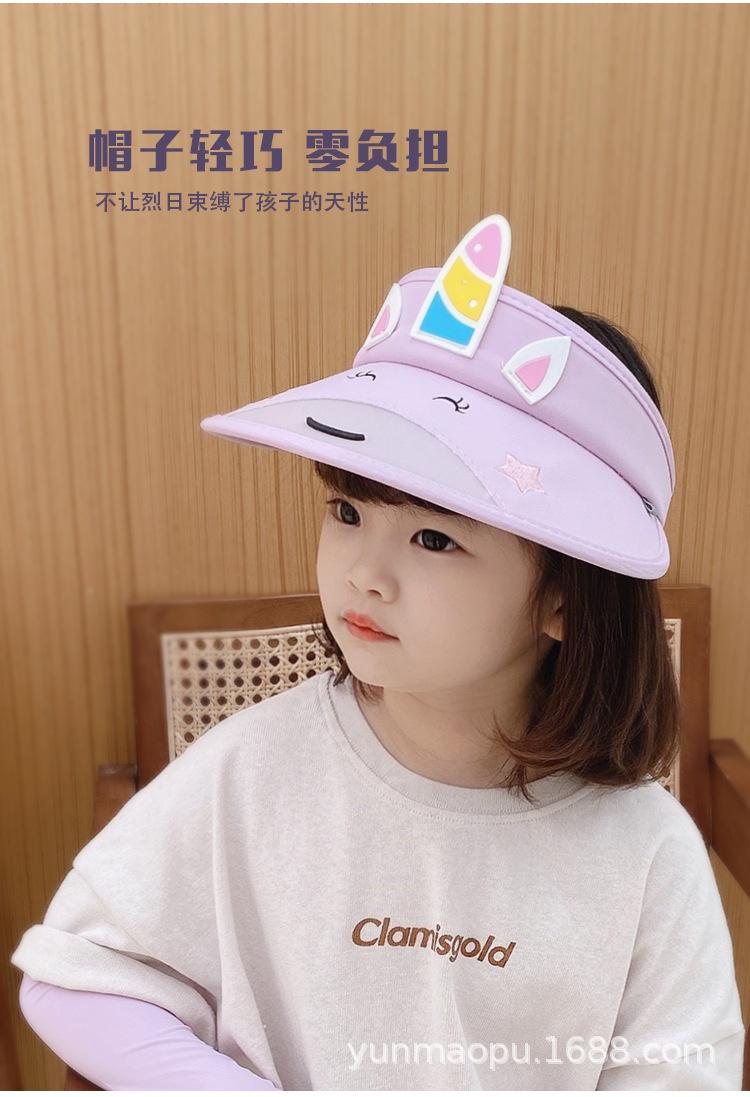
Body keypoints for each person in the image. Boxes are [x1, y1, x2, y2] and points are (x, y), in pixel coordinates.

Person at [12, 215, 745, 1090]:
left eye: (434, 539)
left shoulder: (646, 852)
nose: (364, 573)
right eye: (348, 512)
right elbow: (77, 974)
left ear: (563, 598)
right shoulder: (253, 770)